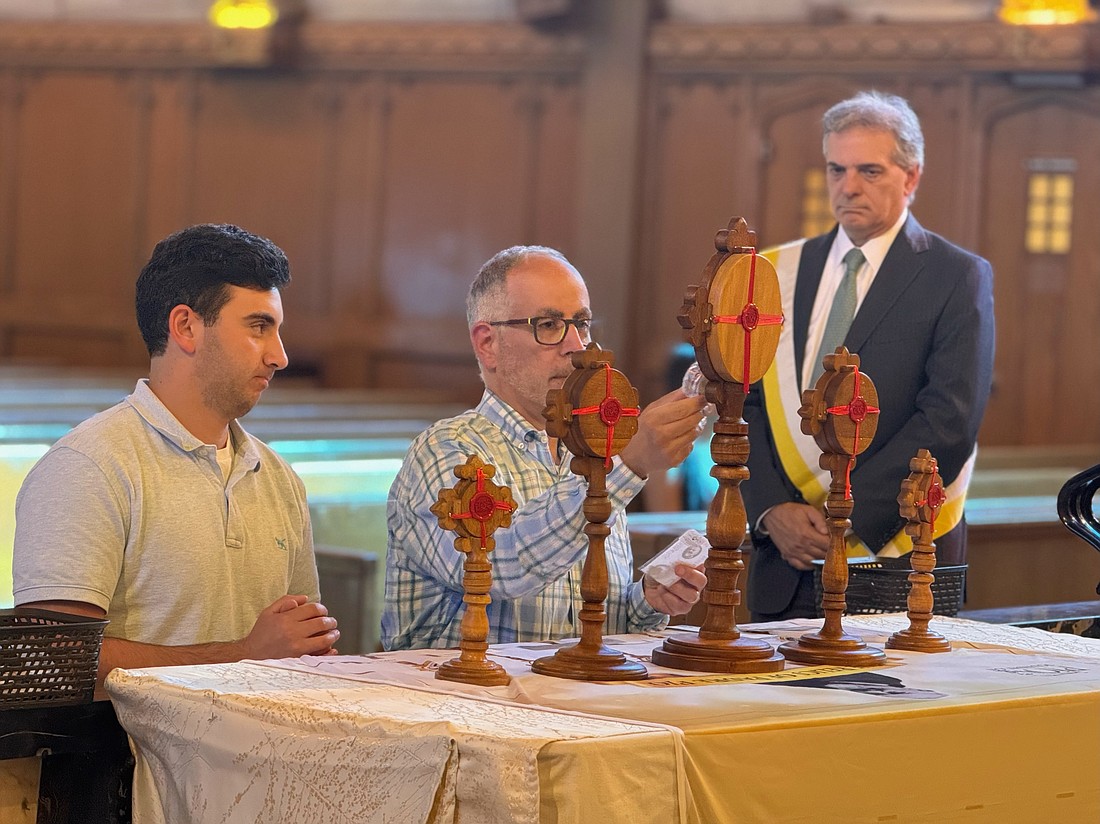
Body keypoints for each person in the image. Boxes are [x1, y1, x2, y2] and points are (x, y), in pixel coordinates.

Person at [13, 223, 339, 689]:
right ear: (186, 326)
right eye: (258, 327)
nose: (280, 356)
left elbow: (299, 643)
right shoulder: (90, 465)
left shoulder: (279, 477)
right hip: (128, 758)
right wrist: (242, 656)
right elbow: (51, 658)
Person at [744, 91, 996, 621]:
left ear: (912, 177)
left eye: (870, 171)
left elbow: (949, 421)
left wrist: (842, 518)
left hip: (895, 560)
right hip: (783, 563)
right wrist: (772, 512)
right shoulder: (777, 272)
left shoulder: (956, 276)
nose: (849, 186)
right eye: (837, 169)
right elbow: (747, 406)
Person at [383, 245, 707, 650]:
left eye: (583, 324)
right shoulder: (448, 450)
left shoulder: (588, 454)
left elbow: (596, 629)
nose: (577, 345)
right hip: (462, 701)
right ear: (488, 344)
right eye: (550, 324)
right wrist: (626, 464)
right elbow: (497, 569)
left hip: (573, 701)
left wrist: (647, 599)